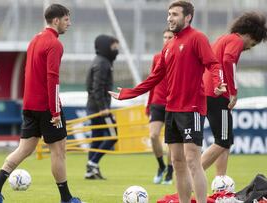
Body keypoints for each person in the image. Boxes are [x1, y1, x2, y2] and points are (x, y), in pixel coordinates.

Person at [109, 1, 226, 202]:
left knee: (192, 160)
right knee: (177, 161)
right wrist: (129, 93)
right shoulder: (168, 46)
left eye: (175, 14)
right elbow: (154, 78)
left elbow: (213, 64)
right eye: (169, 14)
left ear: (187, 17)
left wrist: (218, 83)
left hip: (193, 109)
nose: (170, 18)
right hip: (171, 109)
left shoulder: (197, 38)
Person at [0, 4, 81, 203]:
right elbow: (52, 78)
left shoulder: (35, 40)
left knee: (24, 149)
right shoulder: (55, 44)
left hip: (30, 105)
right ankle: (66, 198)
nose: (69, 24)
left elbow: (29, 73)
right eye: (66, 19)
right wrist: (55, 111)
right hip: (47, 107)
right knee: (59, 151)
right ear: (56, 20)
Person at [201, 12, 267, 176]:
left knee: (224, 140)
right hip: (217, 94)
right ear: (250, 35)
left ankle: (221, 184)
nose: (249, 47)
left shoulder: (224, 39)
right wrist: (233, 91)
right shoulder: (236, 40)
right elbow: (228, 61)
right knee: (223, 140)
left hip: (208, 91)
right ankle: (191, 175)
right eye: (252, 43)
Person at [85, 34, 119, 180]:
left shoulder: (99, 61)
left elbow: (90, 87)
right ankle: (92, 163)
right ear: (105, 46)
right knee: (113, 136)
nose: (116, 50)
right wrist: (103, 107)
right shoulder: (103, 63)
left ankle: (90, 171)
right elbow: (96, 87)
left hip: (93, 106)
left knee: (96, 138)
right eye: (114, 47)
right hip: (100, 108)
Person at [146, 29, 174, 185]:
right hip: (157, 102)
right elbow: (152, 81)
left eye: (170, 37)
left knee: (171, 141)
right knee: (153, 135)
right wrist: (148, 104)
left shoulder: (179, 57)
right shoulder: (157, 57)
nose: (167, 39)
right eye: (165, 37)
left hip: (172, 103)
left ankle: (170, 172)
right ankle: (161, 166)